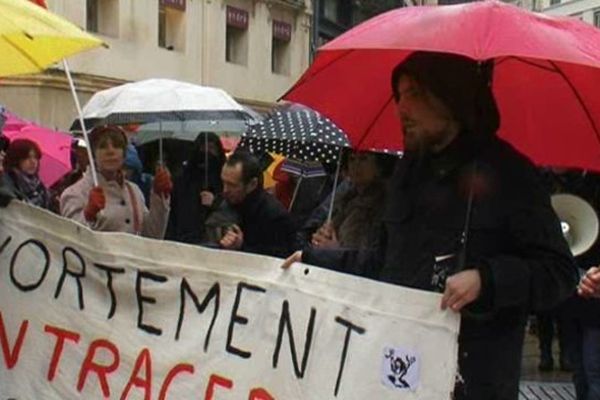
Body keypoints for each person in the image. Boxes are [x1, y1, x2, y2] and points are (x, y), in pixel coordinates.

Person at [283, 51, 577, 400]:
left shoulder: (512, 174)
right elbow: (383, 261)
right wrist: (313, 261)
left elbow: (559, 273)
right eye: (399, 96)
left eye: (415, 94)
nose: (401, 109)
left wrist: (488, 279)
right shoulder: (409, 172)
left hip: (474, 381)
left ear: (452, 97)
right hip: (400, 372)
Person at [60, 126, 172, 238]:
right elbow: (72, 239)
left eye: (117, 145)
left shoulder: (134, 190)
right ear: (93, 155)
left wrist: (159, 197)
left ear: (124, 154)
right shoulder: (75, 193)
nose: (110, 151)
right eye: (102, 146)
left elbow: (152, 235)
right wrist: (88, 215)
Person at [309, 150, 395, 251]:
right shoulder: (343, 199)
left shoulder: (384, 203)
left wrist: (336, 250)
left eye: (363, 159)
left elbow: (370, 254)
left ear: (378, 166)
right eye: (352, 159)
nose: (356, 165)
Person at [218, 151, 295, 258]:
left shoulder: (274, 215)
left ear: (252, 184)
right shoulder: (228, 202)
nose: (225, 190)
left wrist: (241, 246)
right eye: (223, 182)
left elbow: (279, 257)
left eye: (232, 185)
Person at [166, 132, 226, 244]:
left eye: (212, 148)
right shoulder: (182, 178)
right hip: (184, 237)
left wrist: (215, 202)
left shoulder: (224, 178)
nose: (207, 152)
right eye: (203, 147)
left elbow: (231, 208)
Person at [2, 138, 51, 209]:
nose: (33, 162)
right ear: (16, 159)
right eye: (27, 157)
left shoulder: (41, 188)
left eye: (36, 157)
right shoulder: (6, 181)